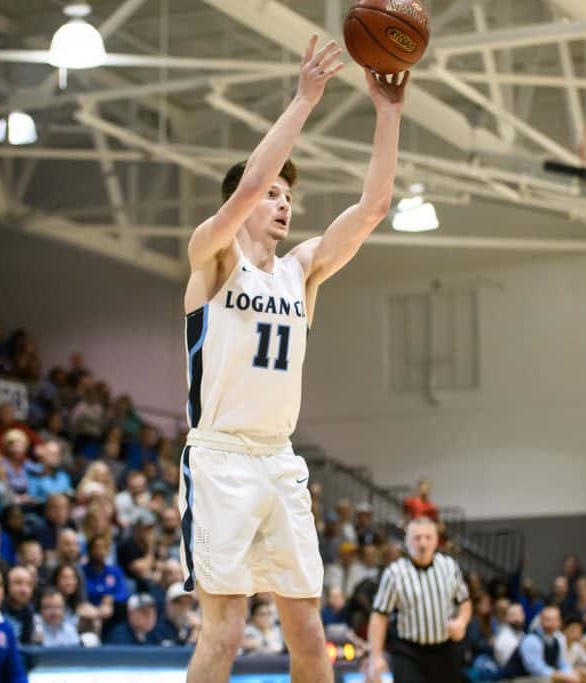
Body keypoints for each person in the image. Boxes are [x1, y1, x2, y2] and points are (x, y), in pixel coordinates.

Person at [179, 34, 407, 683]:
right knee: (224, 632)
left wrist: (388, 115)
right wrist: (305, 99)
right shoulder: (212, 256)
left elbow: (373, 209)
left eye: (288, 196)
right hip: (220, 458)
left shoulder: (300, 271)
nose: (282, 203)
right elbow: (250, 182)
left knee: (309, 635)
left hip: (279, 460)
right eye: (274, 194)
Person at [367, 517, 471, 683]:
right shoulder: (394, 573)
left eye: (428, 537)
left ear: (436, 540)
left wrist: (462, 622)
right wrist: (375, 656)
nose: (423, 543)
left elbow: (464, 601)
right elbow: (379, 615)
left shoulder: (449, 566)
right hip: (408, 651)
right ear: (407, 541)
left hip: (445, 648)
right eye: (417, 538)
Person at [500, 605, 581, 683]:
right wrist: (563, 676)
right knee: (548, 680)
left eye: (554, 619)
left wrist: (570, 673)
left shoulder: (555, 640)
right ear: (541, 620)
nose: (551, 623)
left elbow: (561, 663)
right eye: (547, 619)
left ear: (559, 622)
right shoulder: (531, 639)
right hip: (514, 680)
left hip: (533, 679)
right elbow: (536, 669)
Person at [2, 566, 36, 645]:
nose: (24, 589)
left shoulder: (29, 612)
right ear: (7, 585)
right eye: (18, 583)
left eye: (29, 585)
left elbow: (27, 646)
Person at [494, 603, 527, 668]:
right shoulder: (504, 639)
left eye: (520, 614)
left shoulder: (521, 633)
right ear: (506, 618)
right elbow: (511, 666)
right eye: (513, 615)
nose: (517, 618)